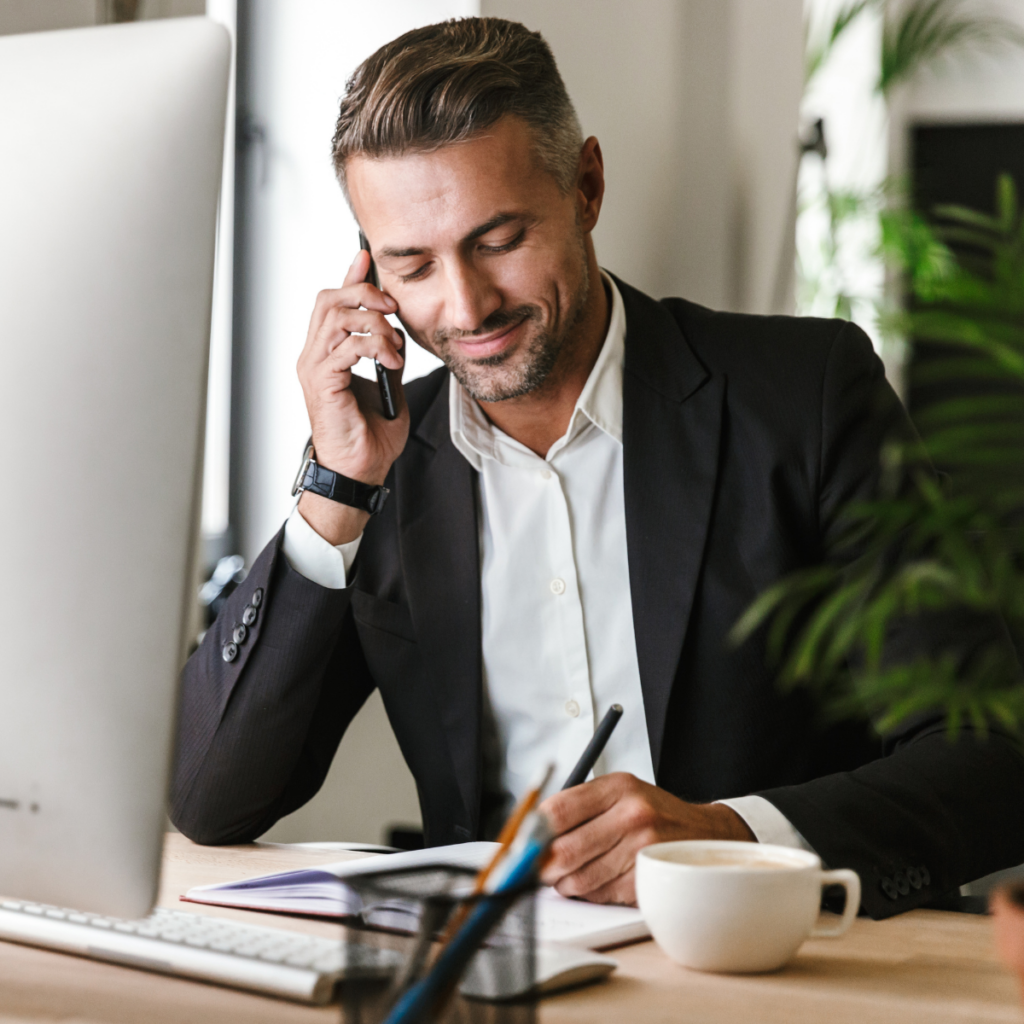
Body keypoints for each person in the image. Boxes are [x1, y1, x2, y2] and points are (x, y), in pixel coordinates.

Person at [171, 17, 1024, 919]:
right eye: (412, 264)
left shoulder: (805, 396)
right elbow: (212, 798)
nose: (465, 306)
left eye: (498, 239)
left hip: (777, 965)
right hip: (504, 974)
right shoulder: (386, 464)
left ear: (586, 185)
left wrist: (728, 838)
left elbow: (991, 756)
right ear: (368, 269)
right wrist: (335, 493)